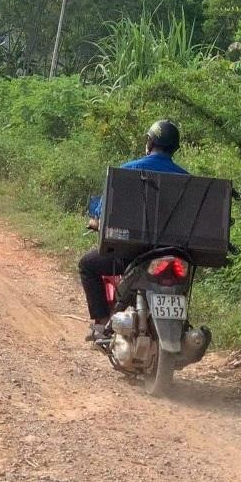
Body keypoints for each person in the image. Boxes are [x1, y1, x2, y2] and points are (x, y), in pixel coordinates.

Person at [79, 120, 188, 340]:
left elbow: (102, 211)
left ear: (150, 142)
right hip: (175, 255)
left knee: (87, 265)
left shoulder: (129, 170)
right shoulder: (187, 179)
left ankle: (101, 322)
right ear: (175, 147)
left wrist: (96, 220)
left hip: (131, 255)